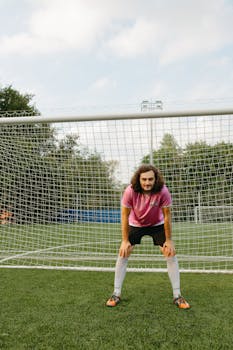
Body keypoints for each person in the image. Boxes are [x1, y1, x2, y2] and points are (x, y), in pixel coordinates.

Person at [106, 164, 190, 309]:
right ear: (138, 179)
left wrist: (169, 240)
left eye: (150, 179)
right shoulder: (130, 191)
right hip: (136, 223)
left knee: (170, 254)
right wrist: (125, 241)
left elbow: (167, 216)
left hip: (157, 224)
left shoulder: (163, 191)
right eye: (144, 179)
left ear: (155, 179)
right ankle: (116, 293)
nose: (147, 183)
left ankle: (177, 295)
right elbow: (125, 216)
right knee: (123, 253)